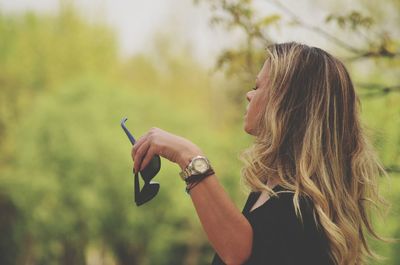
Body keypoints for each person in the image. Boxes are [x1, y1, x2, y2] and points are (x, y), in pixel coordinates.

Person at [131, 42, 388, 265]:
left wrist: (188, 156)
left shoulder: (300, 206)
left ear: (288, 103)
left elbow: (236, 252)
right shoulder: (270, 190)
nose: (248, 94)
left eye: (257, 87)